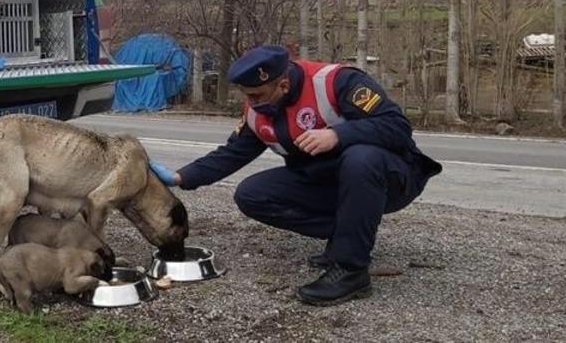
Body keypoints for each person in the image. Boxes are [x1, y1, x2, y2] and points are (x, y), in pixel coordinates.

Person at [149, 44, 442, 306]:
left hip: (393, 177)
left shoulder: (336, 82)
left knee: (360, 158)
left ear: (284, 84)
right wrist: (180, 177)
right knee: (251, 194)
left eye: (257, 95)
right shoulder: (257, 109)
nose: (251, 103)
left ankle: (351, 271)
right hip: (329, 181)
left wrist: (338, 135)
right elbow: (232, 153)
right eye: (247, 95)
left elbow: (397, 127)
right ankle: (347, 237)